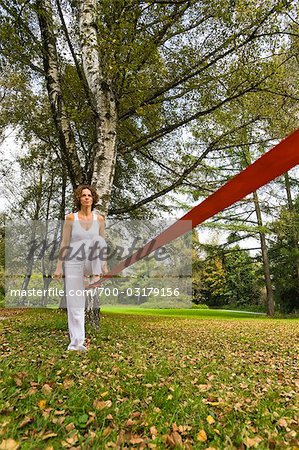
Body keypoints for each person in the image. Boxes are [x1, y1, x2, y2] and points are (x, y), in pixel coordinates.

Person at [54, 185, 108, 351]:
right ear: (79, 198)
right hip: (73, 262)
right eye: (83, 195)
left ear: (93, 199)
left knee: (98, 241)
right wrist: (58, 267)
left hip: (92, 262)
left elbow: (103, 243)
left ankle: (95, 276)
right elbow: (64, 243)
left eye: (89, 195)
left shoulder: (99, 219)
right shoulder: (71, 218)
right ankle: (76, 343)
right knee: (75, 302)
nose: (86, 198)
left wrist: (104, 264)